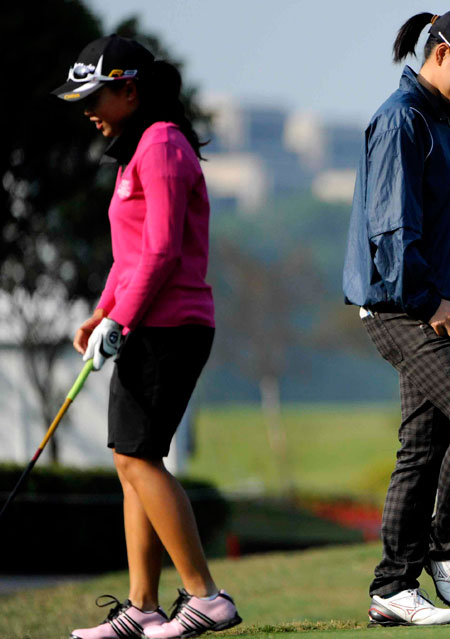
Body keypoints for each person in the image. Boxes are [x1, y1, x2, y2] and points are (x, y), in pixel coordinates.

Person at [55, 35, 241, 639]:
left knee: (137, 458)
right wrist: (103, 313)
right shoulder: (139, 148)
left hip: (171, 326)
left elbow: (161, 252)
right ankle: (141, 608)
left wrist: (121, 319)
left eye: (94, 96)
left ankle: (206, 597)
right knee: (132, 460)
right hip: (148, 322)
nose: (87, 109)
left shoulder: (160, 144)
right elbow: (129, 256)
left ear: (129, 90)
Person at [341, 9, 450, 627]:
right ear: (439, 52)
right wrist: (427, 300)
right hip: (407, 305)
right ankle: (444, 548)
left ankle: (393, 588)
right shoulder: (402, 119)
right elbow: (392, 229)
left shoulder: (434, 120)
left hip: (432, 302)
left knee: (422, 449)